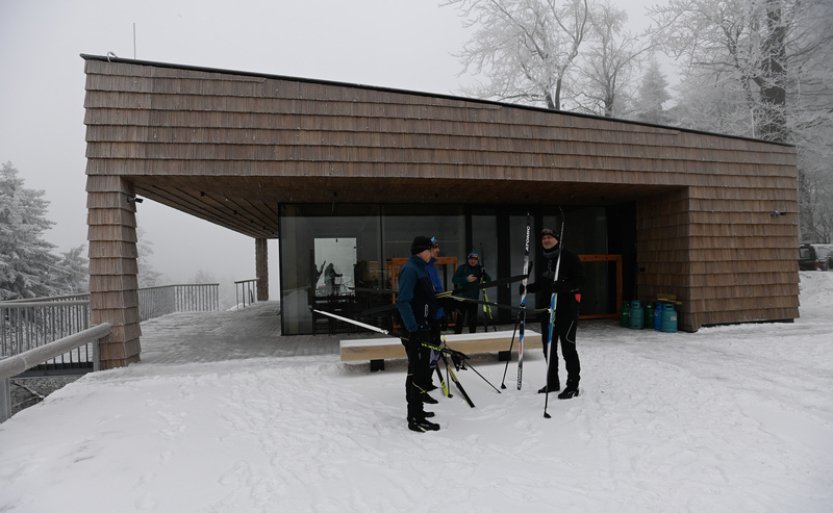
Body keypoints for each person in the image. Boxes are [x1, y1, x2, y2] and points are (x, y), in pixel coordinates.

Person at [522, 227, 583, 399]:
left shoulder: (569, 257)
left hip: (567, 311)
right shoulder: (543, 259)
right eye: (544, 238)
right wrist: (528, 288)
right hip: (547, 311)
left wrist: (563, 287)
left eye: (549, 237)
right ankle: (553, 382)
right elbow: (543, 283)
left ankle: (573, 385)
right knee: (549, 349)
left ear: (557, 239)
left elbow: (581, 281)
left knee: (568, 349)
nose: (546, 240)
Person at [396, 235, 442, 432]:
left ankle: (418, 411)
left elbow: (425, 298)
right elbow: (403, 301)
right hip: (415, 330)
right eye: (431, 248)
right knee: (417, 372)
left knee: (420, 370)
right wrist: (412, 329)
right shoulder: (410, 269)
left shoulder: (420, 267)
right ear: (424, 250)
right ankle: (414, 418)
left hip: (423, 327)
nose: (433, 252)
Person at [451, 251, 490, 334]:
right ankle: (457, 336)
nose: (473, 261)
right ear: (468, 259)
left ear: (478, 260)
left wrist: (484, 275)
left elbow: (488, 280)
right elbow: (454, 280)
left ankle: (473, 336)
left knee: (473, 320)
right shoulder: (462, 268)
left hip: (474, 299)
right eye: (471, 259)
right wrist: (466, 279)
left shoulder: (479, 269)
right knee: (460, 319)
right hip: (462, 298)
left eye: (475, 259)